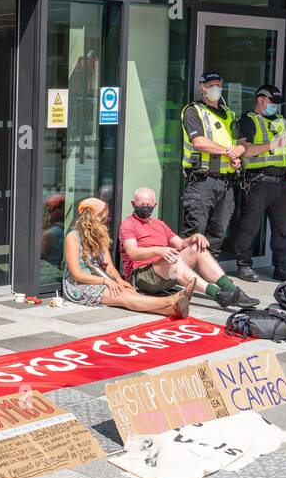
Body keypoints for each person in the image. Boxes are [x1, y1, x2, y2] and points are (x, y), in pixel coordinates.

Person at [119, 188, 258, 310]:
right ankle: (218, 294)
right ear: (133, 204)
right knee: (174, 260)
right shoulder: (128, 225)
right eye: (141, 204)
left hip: (165, 273)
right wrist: (158, 250)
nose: (145, 207)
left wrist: (193, 238)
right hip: (141, 277)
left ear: (154, 205)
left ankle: (232, 290)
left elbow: (180, 244)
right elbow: (132, 253)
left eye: (148, 204)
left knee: (197, 249)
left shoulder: (159, 224)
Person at [64, 198, 192, 317]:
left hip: (100, 279)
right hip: (79, 286)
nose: (107, 219)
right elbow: (77, 274)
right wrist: (107, 282)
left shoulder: (100, 236)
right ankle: (170, 300)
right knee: (123, 297)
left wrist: (119, 280)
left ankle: (171, 310)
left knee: (129, 292)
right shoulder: (72, 237)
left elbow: (109, 268)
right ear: (95, 216)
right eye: (104, 215)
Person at [233, 84, 286, 283]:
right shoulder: (248, 120)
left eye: (278, 103)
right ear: (261, 100)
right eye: (272, 102)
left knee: (283, 228)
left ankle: (281, 267)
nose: (275, 106)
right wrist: (273, 144)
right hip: (258, 181)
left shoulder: (282, 122)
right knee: (249, 226)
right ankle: (244, 265)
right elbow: (246, 151)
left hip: (281, 182)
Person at [181, 71, 244, 244]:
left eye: (218, 85)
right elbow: (199, 142)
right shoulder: (193, 111)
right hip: (202, 181)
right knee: (195, 233)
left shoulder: (230, 114)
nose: (215, 88)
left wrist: (237, 155)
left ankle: (211, 262)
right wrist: (228, 151)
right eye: (210, 86)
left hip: (226, 182)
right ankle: (188, 263)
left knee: (217, 234)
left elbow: (240, 142)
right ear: (202, 88)